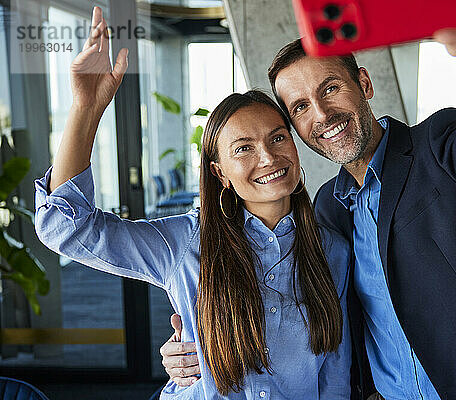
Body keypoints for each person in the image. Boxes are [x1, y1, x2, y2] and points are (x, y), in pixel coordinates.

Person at [160, 0, 456, 398]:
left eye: (330, 88)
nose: (322, 114)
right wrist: (198, 340)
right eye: (300, 107)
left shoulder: (439, 145)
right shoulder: (328, 210)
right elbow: (301, 311)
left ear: (365, 84)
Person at [33, 7, 352, 399]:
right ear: (220, 173)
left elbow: (334, 375)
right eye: (244, 148)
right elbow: (66, 227)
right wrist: (86, 108)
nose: (268, 158)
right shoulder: (186, 241)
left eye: (277, 138)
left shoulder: (331, 249)